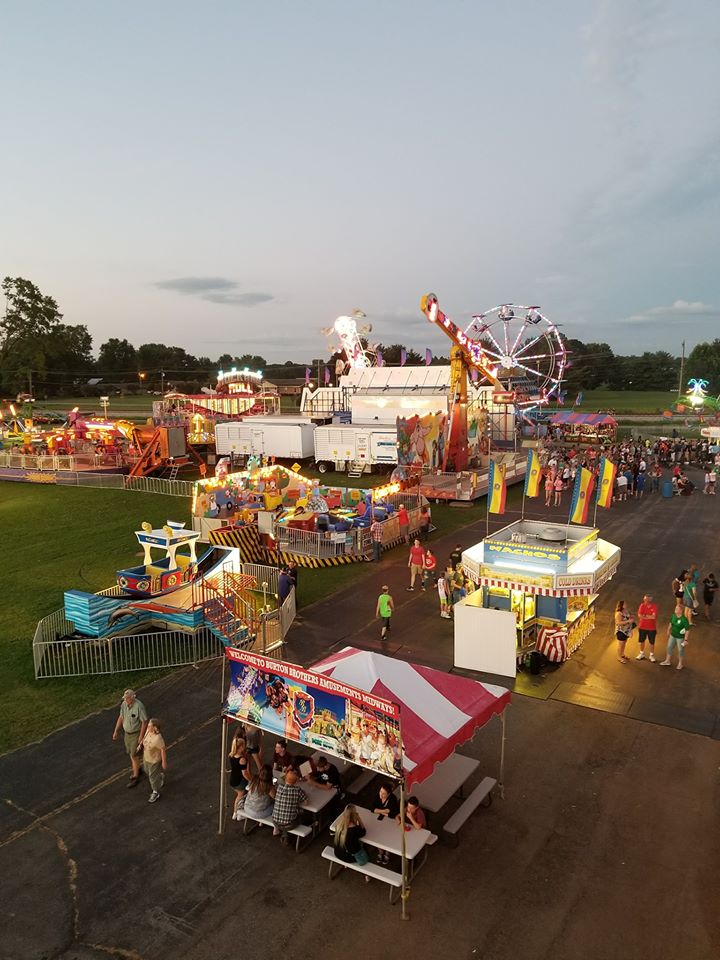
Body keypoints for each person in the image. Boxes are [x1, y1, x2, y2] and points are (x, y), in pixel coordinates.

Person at [112, 689, 149, 788]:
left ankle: (135, 776)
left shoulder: (139, 706)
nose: (126, 700)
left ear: (133, 697)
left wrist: (141, 737)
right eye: (125, 698)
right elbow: (121, 717)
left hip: (136, 733)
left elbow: (144, 721)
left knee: (134, 755)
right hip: (127, 734)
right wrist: (116, 730)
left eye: (128, 698)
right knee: (130, 753)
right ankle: (139, 768)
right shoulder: (124, 705)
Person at [272, 769, 307, 844]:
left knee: (287, 816)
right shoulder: (297, 790)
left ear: (285, 779)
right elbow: (306, 802)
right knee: (303, 814)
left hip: (275, 822)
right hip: (289, 825)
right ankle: (286, 834)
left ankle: (284, 834)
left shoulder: (279, 787)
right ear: (296, 781)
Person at [140, 718, 167, 804]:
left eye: (149, 725)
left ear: (155, 727)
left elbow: (162, 749)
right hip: (146, 757)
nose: (147, 726)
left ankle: (155, 792)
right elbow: (144, 739)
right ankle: (159, 776)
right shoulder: (148, 732)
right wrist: (140, 744)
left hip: (154, 760)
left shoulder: (158, 738)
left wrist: (164, 762)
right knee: (146, 770)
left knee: (152, 777)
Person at [373, 784, 400, 865]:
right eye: (380, 791)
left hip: (390, 822)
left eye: (383, 793)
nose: (381, 794)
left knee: (388, 835)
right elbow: (372, 808)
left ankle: (387, 853)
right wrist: (385, 811)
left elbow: (392, 814)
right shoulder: (378, 796)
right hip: (379, 821)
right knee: (378, 834)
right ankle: (380, 852)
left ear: (388, 794)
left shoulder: (392, 798)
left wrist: (379, 811)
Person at [661, 601, 691, 670]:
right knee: (669, 647)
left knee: (680, 650)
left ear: (681, 611)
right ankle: (667, 661)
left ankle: (680, 664)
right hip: (673, 635)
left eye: (677, 609)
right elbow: (671, 623)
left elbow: (687, 630)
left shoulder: (684, 620)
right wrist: (668, 630)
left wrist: (686, 640)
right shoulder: (673, 616)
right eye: (675, 608)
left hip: (680, 638)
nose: (675, 610)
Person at [228, 732, 250, 817]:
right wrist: (251, 780)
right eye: (243, 745)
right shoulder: (242, 759)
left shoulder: (231, 755)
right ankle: (236, 812)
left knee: (240, 795)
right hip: (239, 781)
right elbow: (244, 773)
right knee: (240, 796)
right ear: (240, 747)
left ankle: (237, 812)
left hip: (233, 779)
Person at [635, 594, 658, 661]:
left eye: (647, 599)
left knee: (652, 642)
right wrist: (648, 616)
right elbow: (639, 615)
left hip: (652, 628)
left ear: (650, 600)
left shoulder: (654, 606)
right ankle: (641, 653)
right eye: (645, 599)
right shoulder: (642, 605)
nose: (645, 600)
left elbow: (653, 617)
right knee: (641, 641)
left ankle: (651, 655)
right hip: (642, 627)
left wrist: (644, 615)